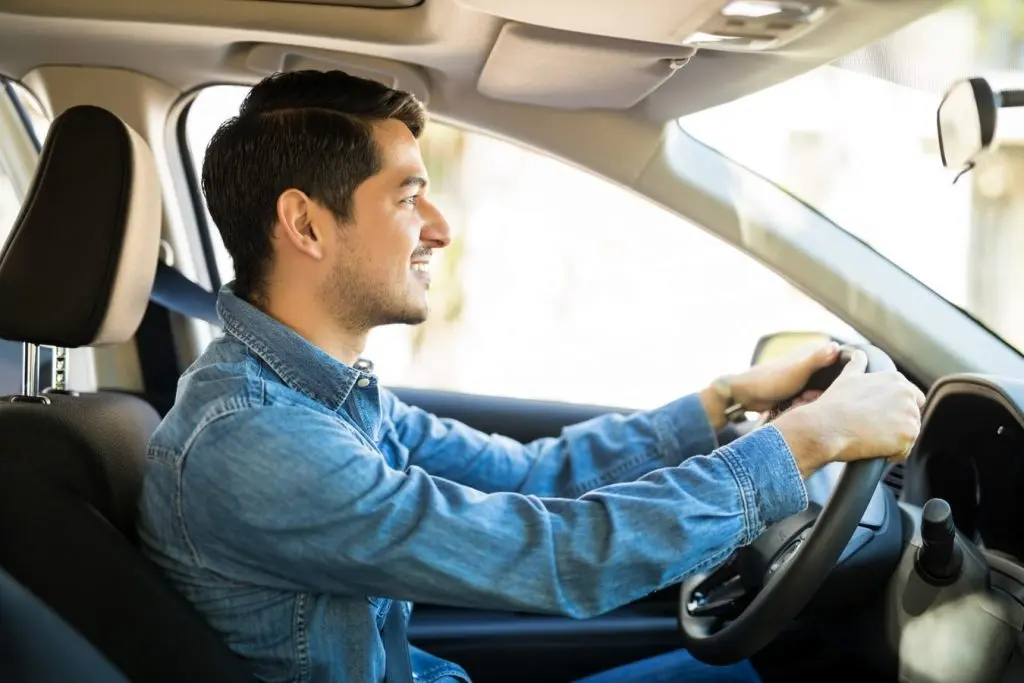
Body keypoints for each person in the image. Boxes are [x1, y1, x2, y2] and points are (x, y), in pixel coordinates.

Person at [136, 70, 925, 683]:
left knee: (774, 665)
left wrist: (723, 401)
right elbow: (556, 556)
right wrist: (808, 439)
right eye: (409, 196)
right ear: (306, 224)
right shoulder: (256, 438)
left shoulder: (318, 393)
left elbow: (532, 474)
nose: (439, 228)